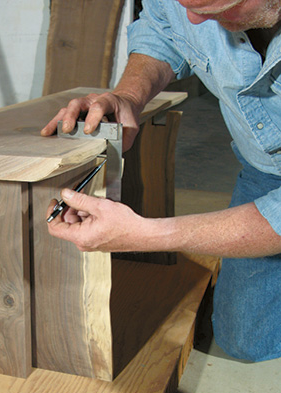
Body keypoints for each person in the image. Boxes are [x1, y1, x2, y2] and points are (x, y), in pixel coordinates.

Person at [40, 0, 281, 362]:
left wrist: (150, 234)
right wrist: (129, 95)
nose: (194, 19)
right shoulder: (188, 9)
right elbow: (162, 27)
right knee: (245, 341)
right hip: (266, 166)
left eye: (213, 6)